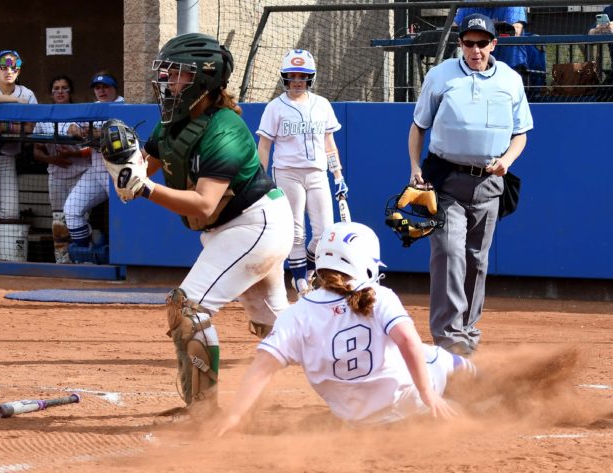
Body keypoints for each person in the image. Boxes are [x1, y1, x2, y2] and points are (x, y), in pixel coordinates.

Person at [99, 33, 294, 411]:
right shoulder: (171, 123)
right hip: (233, 230)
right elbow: (142, 170)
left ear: (203, 80)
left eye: (177, 75)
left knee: (187, 307)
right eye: (167, 74)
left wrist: (145, 189)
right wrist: (122, 165)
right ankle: (370, 364)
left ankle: (203, 411)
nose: (167, 82)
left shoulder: (225, 129)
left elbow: (204, 205)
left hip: (256, 225)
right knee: (284, 330)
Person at [215, 221, 477, 436]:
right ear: (365, 263)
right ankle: (485, 390)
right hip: (409, 405)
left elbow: (261, 367)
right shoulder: (378, 296)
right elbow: (407, 341)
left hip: (356, 421)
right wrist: (427, 393)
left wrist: (236, 414)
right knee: (435, 356)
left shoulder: (295, 314)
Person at [407, 14, 533, 356]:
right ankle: (449, 338)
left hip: (489, 183)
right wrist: (415, 166)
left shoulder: (510, 79)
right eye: (468, 42)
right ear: (460, 44)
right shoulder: (441, 75)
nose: (475, 49)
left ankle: (467, 332)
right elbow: (419, 126)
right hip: (446, 179)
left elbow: (520, 133)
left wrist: (507, 160)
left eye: (482, 42)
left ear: (494, 44)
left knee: (477, 260)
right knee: (448, 253)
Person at [256, 49, 347, 296]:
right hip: (287, 172)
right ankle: (299, 280)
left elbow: (330, 143)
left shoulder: (322, 104)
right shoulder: (275, 107)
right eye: (292, 75)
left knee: (325, 231)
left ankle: (306, 269)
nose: (297, 81)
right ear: (285, 77)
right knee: (296, 230)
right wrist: (260, 179)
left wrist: (338, 175)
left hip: (317, 172)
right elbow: (264, 145)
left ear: (311, 78)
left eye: (302, 76)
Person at [64, 71, 124, 263]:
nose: (102, 91)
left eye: (105, 87)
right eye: (98, 88)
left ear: (115, 88)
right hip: (96, 170)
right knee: (71, 209)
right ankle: (85, 254)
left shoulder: (124, 105)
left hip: (119, 171)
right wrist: (76, 130)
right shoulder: (93, 107)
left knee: (123, 216)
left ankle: (123, 258)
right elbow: (69, 126)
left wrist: (100, 133)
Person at [33, 75, 91, 263]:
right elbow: (36, 152)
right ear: (51, 93)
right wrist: (54, 159)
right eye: (56, 88)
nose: (60, 91)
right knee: (58, 221)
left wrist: (74, 153)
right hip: (56, 176)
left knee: (77, 217)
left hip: (80, 174)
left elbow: (92, 148)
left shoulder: (81, 113)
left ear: (70, 91)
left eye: (64, 88)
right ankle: (62, 260)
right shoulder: (44, 117)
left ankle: (83, 258)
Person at [0, 50, 38, 221]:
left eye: (14, 67)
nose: (9, 71)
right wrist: (14, 102)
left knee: (10, 212)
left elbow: (32, 127)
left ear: (19, 70)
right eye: (4, 66)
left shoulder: (27, 93)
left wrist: (2, 126)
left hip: (5, 156)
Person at [454, 4, 527, 37]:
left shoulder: (512, 3)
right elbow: (454, 28)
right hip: (477, 47)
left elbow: (515, 32)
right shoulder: (469, 3)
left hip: (505, 50)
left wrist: (477, 27)